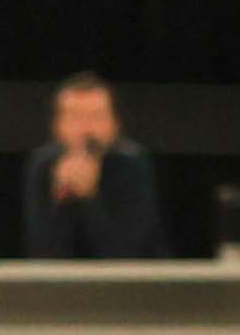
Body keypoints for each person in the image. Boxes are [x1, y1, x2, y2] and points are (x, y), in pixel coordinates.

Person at [16, 72, 168, 260]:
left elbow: (127, 253)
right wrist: (60, 201)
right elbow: (42, 252)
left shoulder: (132, 163)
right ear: (57, 125)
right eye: (75, 117)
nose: (86, 129)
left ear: (115, 124)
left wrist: (89, 198)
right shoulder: (42, 165)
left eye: (96, 116)